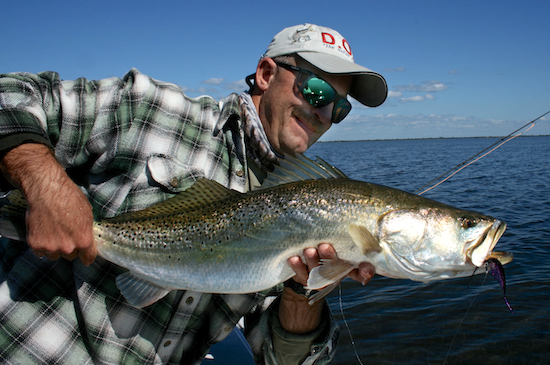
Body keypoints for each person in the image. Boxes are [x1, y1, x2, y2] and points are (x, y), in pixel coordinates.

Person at [0, 23, 387, 364]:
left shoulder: (314, 209)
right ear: (267, 73)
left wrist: (303, 290)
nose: (324, 114)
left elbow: (281, 359)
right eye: (317, 92)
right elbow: (12, 93)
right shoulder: (151, 109)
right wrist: (45, 186)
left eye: (339, 109)